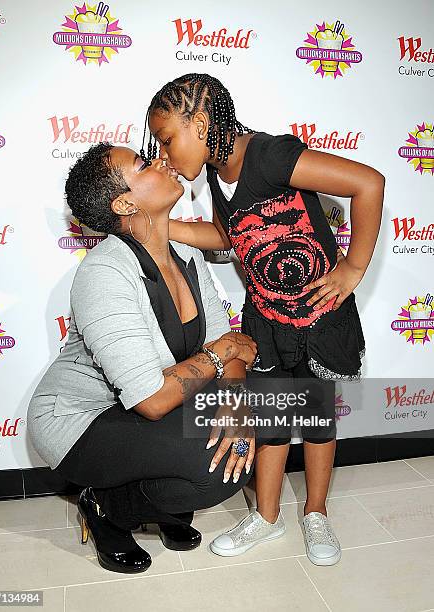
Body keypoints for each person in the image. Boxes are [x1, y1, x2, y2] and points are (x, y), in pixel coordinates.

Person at [142, 72, 385, 566]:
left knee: (316, 420)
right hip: (266, 319)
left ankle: (316, 514)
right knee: (272, 422)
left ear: (201, 122)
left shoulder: (270, 155)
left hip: (319, 318)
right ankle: (267, 518)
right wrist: (168, 229)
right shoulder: (215, 174)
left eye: (167, 139)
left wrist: (354, 266)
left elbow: (367, 182)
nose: (163, 154)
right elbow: (232, 237)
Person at [27, 142, 259, 574]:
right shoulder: (103, 272)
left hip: (143, 408)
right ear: (125, 202)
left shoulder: (188, 256)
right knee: (210, 465)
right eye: (142, 163)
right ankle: (107, 506)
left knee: (249, 425)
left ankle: (151, 505)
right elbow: (155, 396)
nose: (161, 161)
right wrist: (223, 351)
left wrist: (236, 403)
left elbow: (225, 345)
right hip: (80, 421)